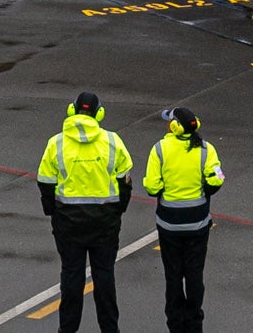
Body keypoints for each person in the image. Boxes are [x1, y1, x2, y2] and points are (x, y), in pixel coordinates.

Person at [36, 91, 132, 333]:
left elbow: (45, 182)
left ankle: (67, 330)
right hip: (104, 223)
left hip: (69, 223)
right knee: (105, 277)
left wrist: (53, 212)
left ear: (72, 110)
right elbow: (126, 183)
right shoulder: (112, 141)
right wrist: (117, 211)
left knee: (71, 277)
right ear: (99, 113)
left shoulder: (56, 143)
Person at [143, 107, 223, 333]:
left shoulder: (159, 150)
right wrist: (204, 191)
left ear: (174, 126)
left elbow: (151, 186)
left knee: (173, 276)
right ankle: (194, 321)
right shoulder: (207, 150)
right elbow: (218, 178)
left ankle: (176, 324)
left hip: (169, 226)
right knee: (195, 274)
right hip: (198, 224)